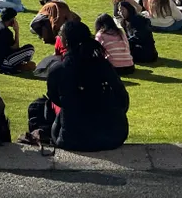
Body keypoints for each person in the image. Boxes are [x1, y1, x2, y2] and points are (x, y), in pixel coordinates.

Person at [46, 21, 129, 151]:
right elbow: (122, 97)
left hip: (73, 139)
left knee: (46, 106)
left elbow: (55, 98)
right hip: (113, 136)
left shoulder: (58, 69)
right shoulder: (104, 65)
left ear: (65, 41)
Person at [0, 8, 36, 73]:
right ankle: (21, 66)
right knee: (30, 49)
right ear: (11, 19)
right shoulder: (5, 31)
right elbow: (15, 48)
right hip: (1, 64)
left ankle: (22, 65)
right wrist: (16, 31)